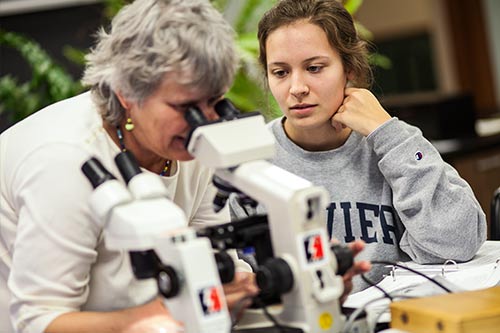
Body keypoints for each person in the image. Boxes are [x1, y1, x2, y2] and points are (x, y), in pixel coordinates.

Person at [0, 1, 259, 332]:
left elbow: (215, 262)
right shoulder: (67, 162)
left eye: (214, 102)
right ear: (126, 92)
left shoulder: (188, 143)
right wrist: (156, 316)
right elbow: (40, 320)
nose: (204, 122)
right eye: (186, 107)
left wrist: (244, 285)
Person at [230, 0, 487, 293]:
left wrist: (386, 133)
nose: (296, 88)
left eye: (314, 68)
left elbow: (459, 243)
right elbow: (239, 284)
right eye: (280, 72)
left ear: (349, 68)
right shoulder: (248, 162)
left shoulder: (393, 143)